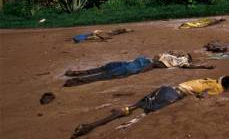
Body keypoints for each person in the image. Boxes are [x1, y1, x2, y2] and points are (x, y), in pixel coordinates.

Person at [71, 76, 229, 139]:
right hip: (173, 97)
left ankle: (92, 125)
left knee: (132, 107)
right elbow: (204, 96)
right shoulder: (217, 88)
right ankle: (107, 133)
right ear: (227, 86)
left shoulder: (209, 79)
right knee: (143, 117)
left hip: (167, 88)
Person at [64, 52, 213, 87]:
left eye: (186, 55)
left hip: (140, 64)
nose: (183, 54)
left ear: (186, 58)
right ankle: (79, 74)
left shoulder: (181, 61)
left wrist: (204, 66)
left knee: (109, 72)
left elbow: (155, 64)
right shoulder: (173, 55)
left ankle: (79, 79)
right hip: (140, 61)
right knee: (109, 67)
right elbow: (156, 60)